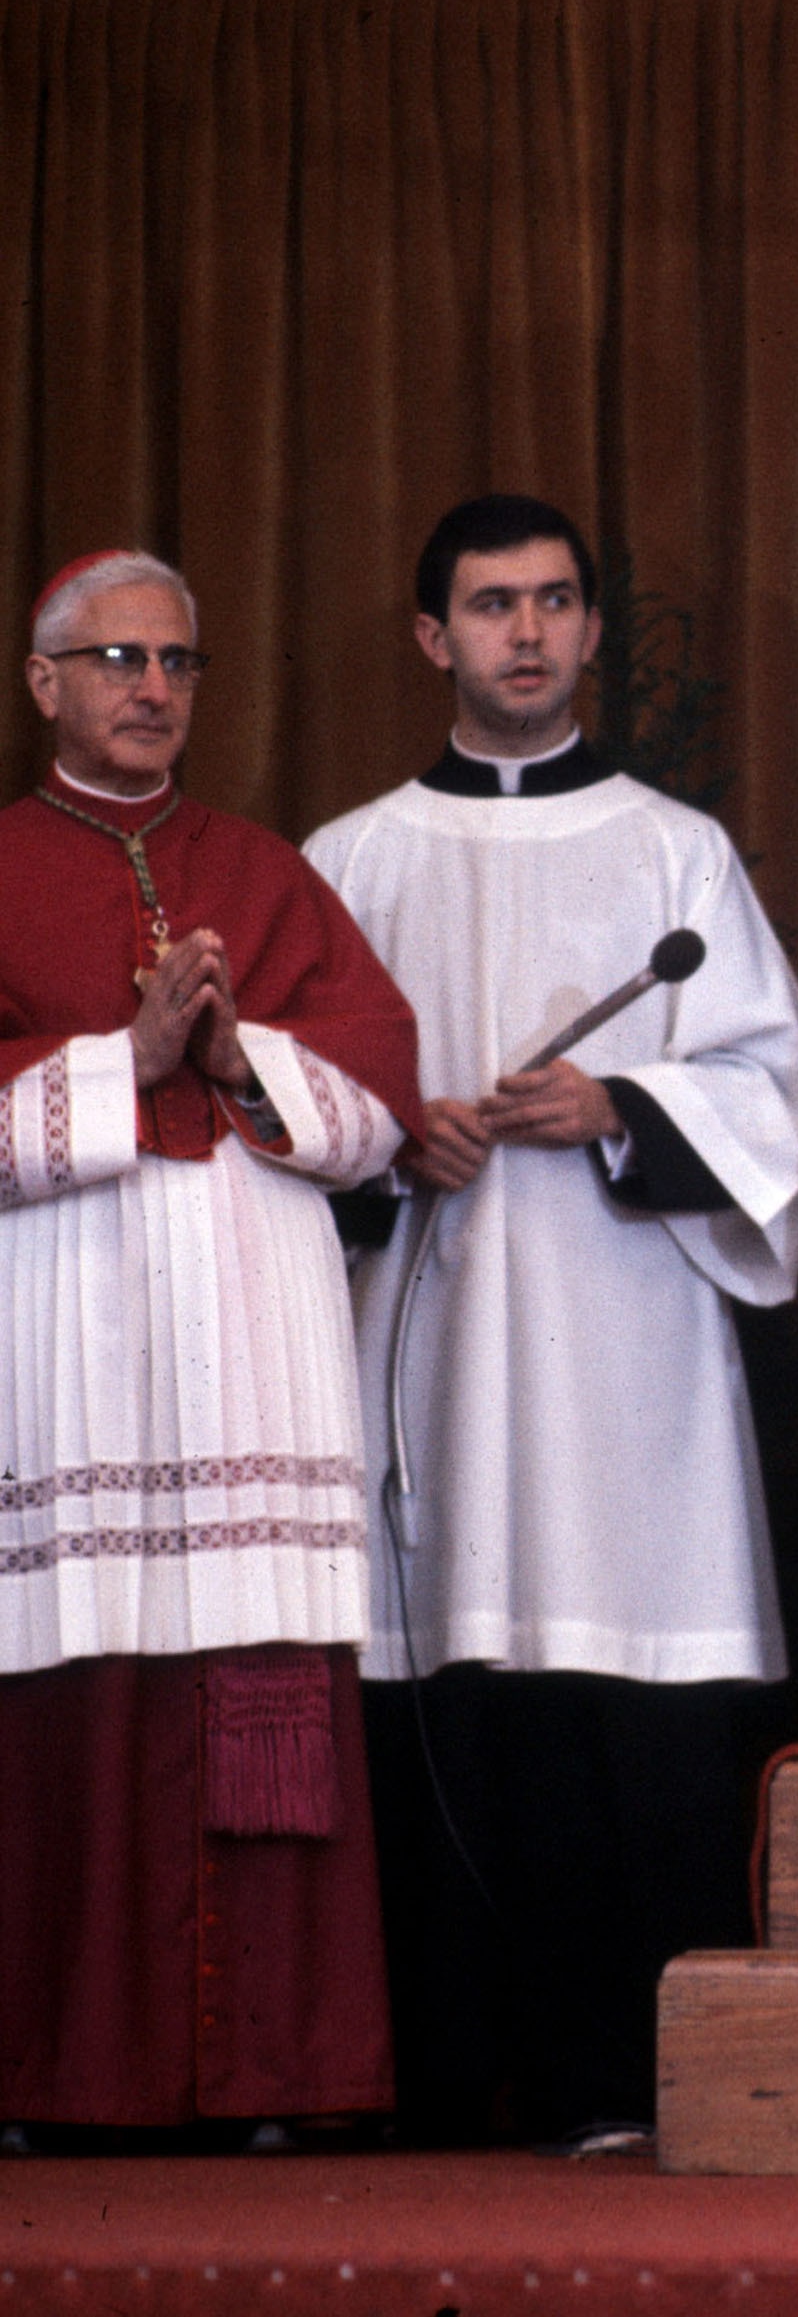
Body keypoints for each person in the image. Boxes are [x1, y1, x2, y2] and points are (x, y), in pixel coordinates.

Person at [304, 496, 798, 2150]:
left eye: (552, 603)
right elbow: (291, 1112)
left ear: (592, 630)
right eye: (489, 606)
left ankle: (629, 2085)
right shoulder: (351, 860)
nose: (525, 634)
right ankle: (444, 2087)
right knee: (448, 1691)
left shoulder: (676, 851)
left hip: (628, 1366)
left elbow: (779, 1086)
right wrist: (399, 1141)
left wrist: (617, 1101)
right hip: (434, 1348)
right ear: (429, 637)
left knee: (628, 1707)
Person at [1, 552, 422, 2140]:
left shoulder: (265, 869)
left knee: (260, 1678)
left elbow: (381, 1086)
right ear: (46, 682)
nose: (151, 686)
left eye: (176, 661)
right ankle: (63, 2076)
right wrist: (128, 1057)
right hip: (69, 1314)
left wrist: (239, 1056)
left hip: (252, 1303)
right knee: (76, 1678)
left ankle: (278, 2074)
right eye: (114, 657)